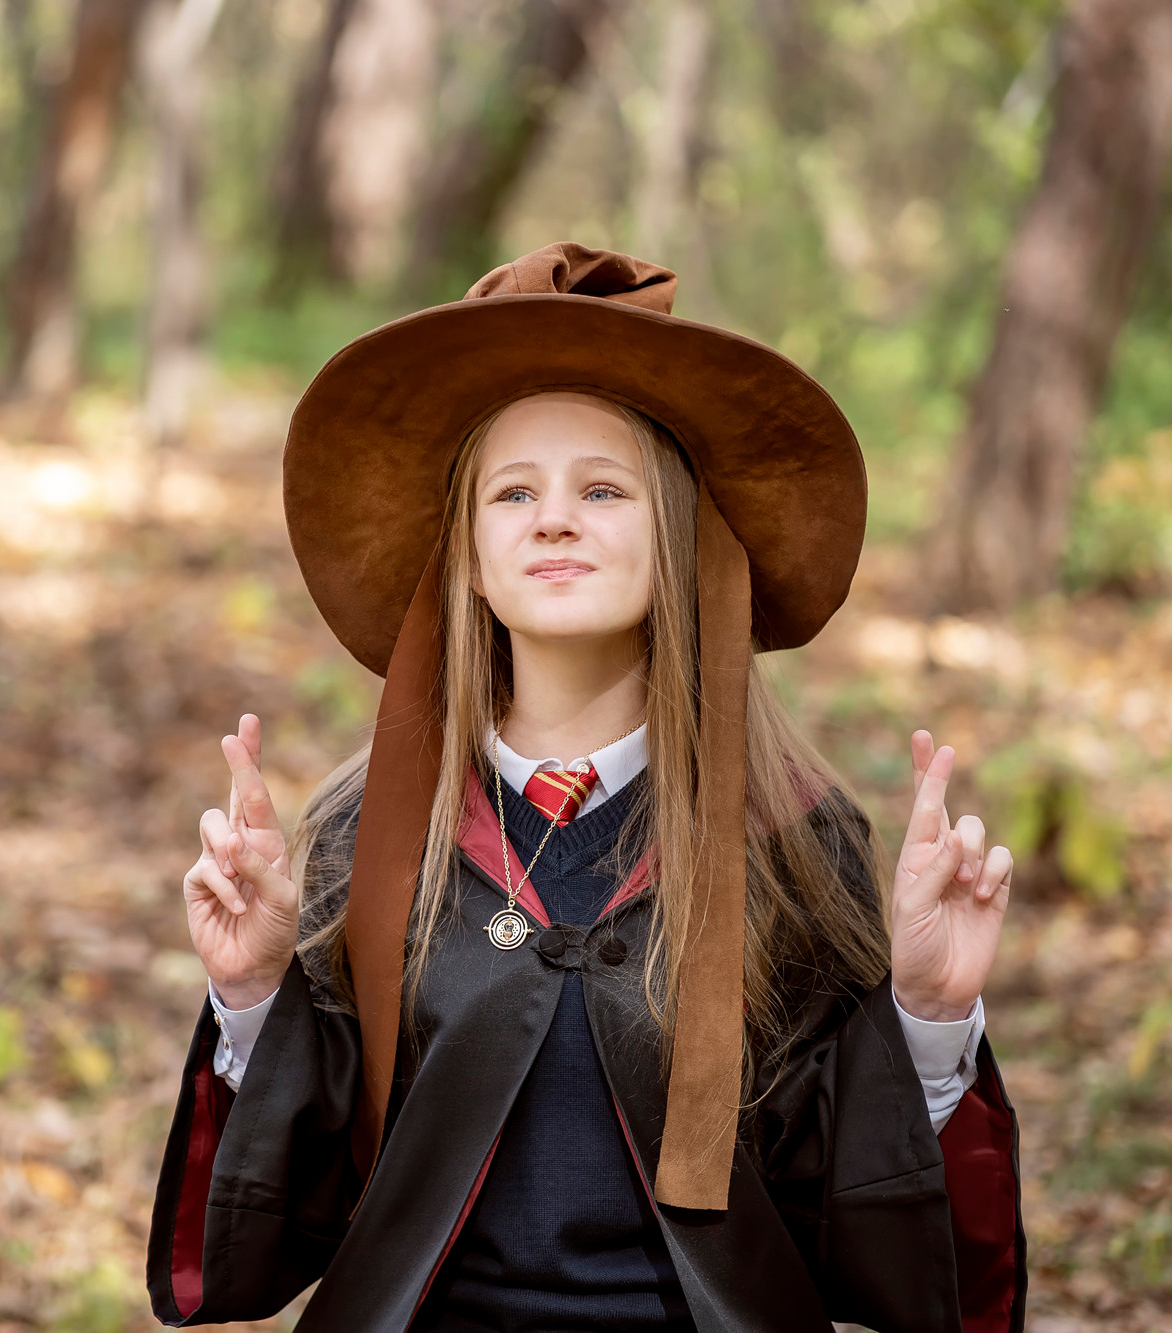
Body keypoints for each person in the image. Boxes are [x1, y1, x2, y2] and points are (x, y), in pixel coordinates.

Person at [147, 244, 1023, 1332]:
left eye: (601, 489)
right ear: (467, 553)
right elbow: (288, 1218)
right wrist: (251, 996)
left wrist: (930, 1018)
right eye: (512, 492)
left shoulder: (789, 836)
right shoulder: (365, 837)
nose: (552, 519)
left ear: (683, 539)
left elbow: (864, 1235)